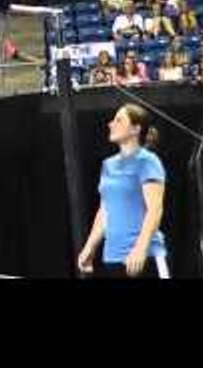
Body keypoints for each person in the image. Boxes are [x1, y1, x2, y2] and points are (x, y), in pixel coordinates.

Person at [77, 104, 169, 279]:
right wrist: (90, 247)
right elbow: (105, 211)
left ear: (135, 129)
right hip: (112, 258)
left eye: (119, 120)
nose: (111, 124)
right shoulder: (108, 165)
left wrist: (140, 248)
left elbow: (155, 209)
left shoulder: (147, 161)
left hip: (145, 257)